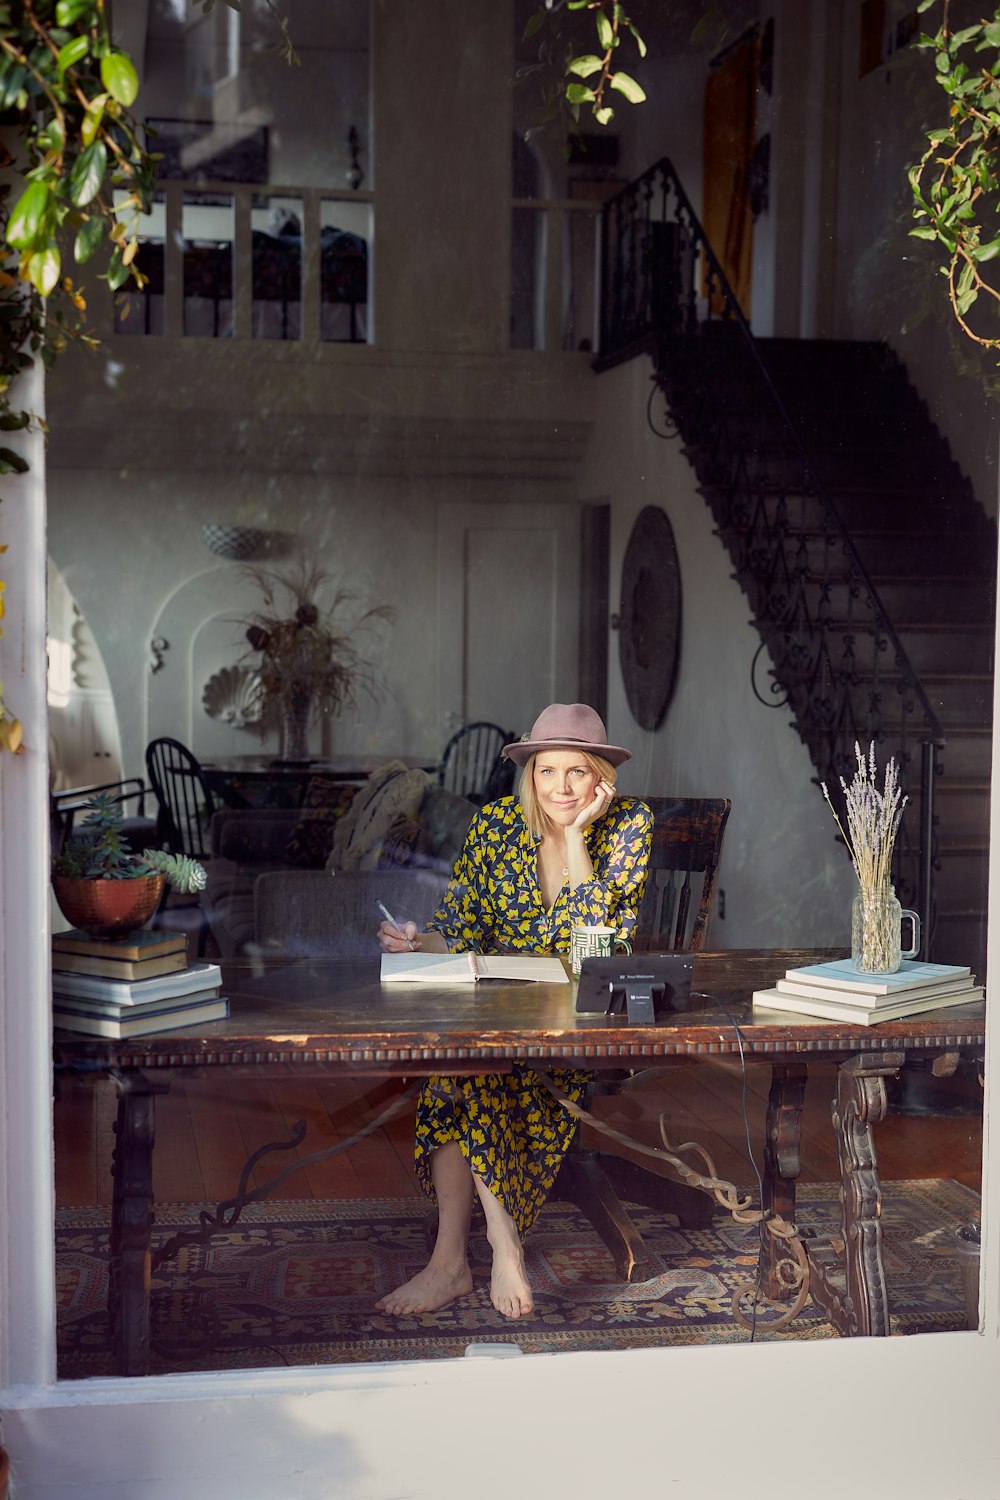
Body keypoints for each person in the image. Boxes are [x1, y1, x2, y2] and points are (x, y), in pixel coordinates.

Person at [375, 702, 652, 1321]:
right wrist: (418, 941)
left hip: (586, 1019)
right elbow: (460, 927)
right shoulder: (497, 825)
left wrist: (578, 838)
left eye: (577, 772)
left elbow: (596, 949)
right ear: (529, 774)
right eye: (547, 770)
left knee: (466, 1071)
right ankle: (482, 1253)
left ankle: (462, 1260)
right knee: (456, 1064)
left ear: (602, 777)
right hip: (502, 1008)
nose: (560, 787)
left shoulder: (630, 824)